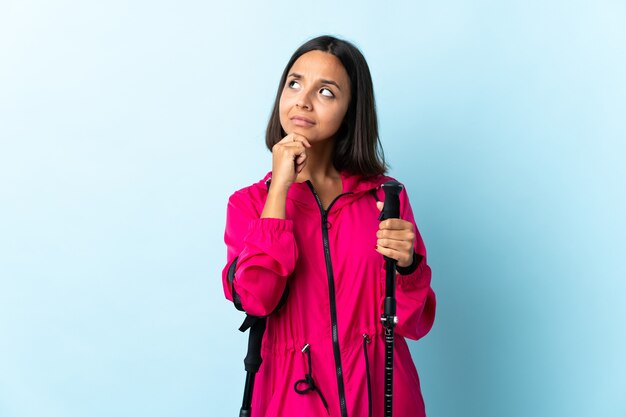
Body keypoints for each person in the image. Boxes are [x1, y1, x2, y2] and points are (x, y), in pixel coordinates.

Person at [222, 35, 436, 417]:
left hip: (382, 396)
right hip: (293, 400)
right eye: (294, 83)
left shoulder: (386, 198)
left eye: (326, 91)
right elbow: (257, 298)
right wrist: (280, 191)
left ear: (350, 111)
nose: (303, 100)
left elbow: (413, 323)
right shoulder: (249, 204)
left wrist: (408, 267)